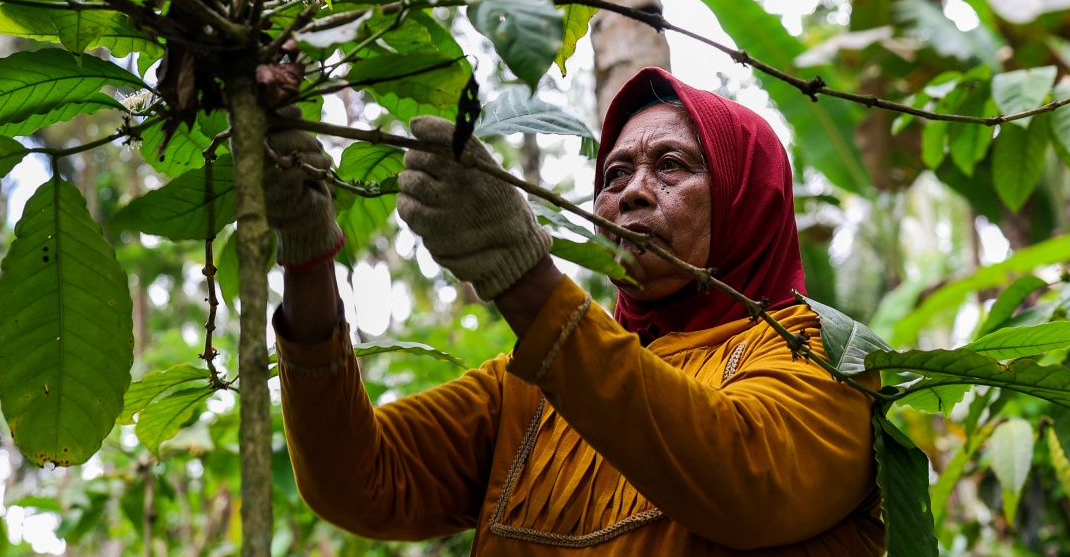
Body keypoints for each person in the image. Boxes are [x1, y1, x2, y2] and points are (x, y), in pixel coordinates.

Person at [264, 66, 882, 554]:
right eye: (614, 176)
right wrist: (306, 256)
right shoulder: (529, 383)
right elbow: (358, 481)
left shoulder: (821, 351)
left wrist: (524, 279)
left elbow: (747, 481)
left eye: (672, 165)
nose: (633, 192)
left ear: (748, 194)